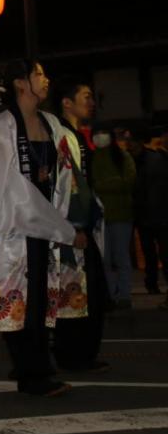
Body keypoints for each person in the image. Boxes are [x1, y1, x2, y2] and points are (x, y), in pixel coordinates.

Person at [0, 61, 85, 396]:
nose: (46, 80)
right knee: (21, 302)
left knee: (39, 302)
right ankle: (32, 373)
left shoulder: (51, 124)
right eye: (38, 75)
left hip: (46, 225)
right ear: (21, 83)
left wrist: (68, 220)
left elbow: (67, 175)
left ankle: (34, 368)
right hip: (17, 227)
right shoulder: (5, 125)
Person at [52, 79, 108, 372]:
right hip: (71, 226)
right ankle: (75, 355)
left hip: (77, 224)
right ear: (67, 101)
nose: (91, 102)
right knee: (76, 290)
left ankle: (78, 353)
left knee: (83, 290)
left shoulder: (74, 134)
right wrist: (75, 225)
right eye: (85, 96)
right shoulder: (62, 134)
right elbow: (70, 185)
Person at [92, 124, 137, 309]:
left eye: (103, 134)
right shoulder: (93, 158)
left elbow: (129, 181)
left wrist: (104, 186)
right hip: (101, 217)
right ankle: (111, 294)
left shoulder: (123, 156)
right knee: (106, 258)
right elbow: (94, 184)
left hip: (121, 215)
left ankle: (124, 295)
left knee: (121, 257)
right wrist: (114, 183)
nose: (100, 137)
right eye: (97, 134)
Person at [132, 128, 168, 295]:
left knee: (156, 253)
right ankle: (152, 284)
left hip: (154, 214)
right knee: (152, 254)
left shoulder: (154, 158)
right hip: (149, 214)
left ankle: (152, 284)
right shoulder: (156, 158)